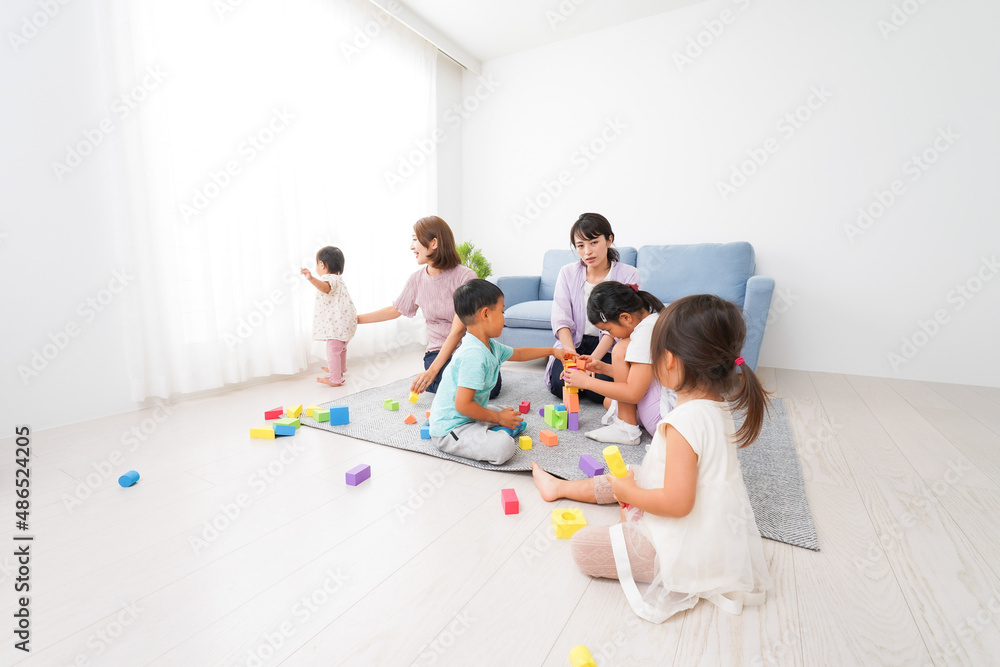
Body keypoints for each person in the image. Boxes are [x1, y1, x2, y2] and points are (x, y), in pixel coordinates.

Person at [532, 294, 772, 622]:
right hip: (708, 527)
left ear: (668, 360)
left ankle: (613, 514)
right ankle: (559, 488)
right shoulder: (715, 407)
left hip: (683, 548)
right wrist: (631, 489)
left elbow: (677, 504)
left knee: (584, 546)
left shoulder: (683, 423)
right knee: (631, 471)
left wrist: (630, 497)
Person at [357, 216, 501, 398]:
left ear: (434, 243)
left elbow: (458, 330)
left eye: (415, 239)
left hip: (469, 350)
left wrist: (432, 371)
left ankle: (456, 382)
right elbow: (395, 310)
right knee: (464, 386)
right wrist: (356, 320)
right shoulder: (416, 279)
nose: (411, 246)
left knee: (489, 389)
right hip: (437, 352)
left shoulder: (465, 277)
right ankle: (456, 384)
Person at [429, 280, 565, 465]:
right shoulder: (473, 356)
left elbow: (519, 353)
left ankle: (490, 426)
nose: (504, 318)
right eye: (502, 312)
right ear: (485, 314)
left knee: (511, 414)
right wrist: (499, 419)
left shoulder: (491, 346)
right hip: (452, 429)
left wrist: (552, 351)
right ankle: (490, 432)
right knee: (504, 447)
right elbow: (462, 405)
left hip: (468, 416)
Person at [563, 281, 676, 446]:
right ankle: (629, 422)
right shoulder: (653, 320)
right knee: (609, 401)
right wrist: (603, 368)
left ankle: (627, 429)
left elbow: (633, 393)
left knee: (621, 348)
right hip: (667, 405)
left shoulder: (644, 334)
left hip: (663, 418)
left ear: (625, 317)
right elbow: (645, 376)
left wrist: (586, 382)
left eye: (609, 330)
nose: (612, 335)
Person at [547, 213, 639, 402]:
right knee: (560, 384)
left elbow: (619, 325)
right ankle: (585, 383)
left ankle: (589, 385)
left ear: (609, 240)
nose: (587, 251)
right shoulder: (567, 273)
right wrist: (571, 356)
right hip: (574, 344)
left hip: (610, 346)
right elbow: (561, 319)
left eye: (594, 242)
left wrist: (592, 361)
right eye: (580, 246)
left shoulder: (628, 275)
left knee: (600, 387)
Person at [301, 246, 357, 387]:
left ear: (322, 265)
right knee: (341, 349)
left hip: (337, 325)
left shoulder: (329, 279)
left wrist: (311, 278)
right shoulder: (339, 279)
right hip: (347, 322)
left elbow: (325, 288)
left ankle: (335, 379)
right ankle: (339, 370)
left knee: (332, 351)